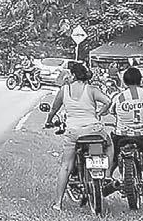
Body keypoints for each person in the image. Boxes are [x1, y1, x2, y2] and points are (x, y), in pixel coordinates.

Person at [44, 61, 112, 211]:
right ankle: (107, 175)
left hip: (73, 133)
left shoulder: (64, 90)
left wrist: (49, 121)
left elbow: (54, 109)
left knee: (66, 166)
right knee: (109, 144)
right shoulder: (92, 89)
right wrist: (99, 113)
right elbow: (108, 101)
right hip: (94, 130)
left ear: (73, 75)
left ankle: (58, 203)